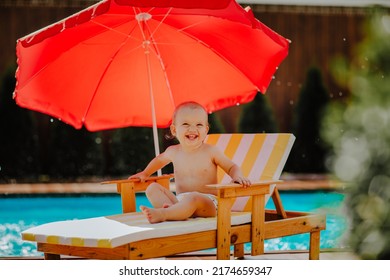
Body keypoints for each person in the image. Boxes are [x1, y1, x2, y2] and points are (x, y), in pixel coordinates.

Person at [129, 101, 251, 223]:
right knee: (152, 188)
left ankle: (165, 213)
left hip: (208, 203)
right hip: (180, 201)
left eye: (199, 124)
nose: (192, 129)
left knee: (193, 196)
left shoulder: (211, 151)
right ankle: (176, 212)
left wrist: (237, 176)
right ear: (174, 130)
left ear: (206, 130)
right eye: (186, 124)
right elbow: (159, 160)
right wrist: (145, 173)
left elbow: (231, 167)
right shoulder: (173, 151)